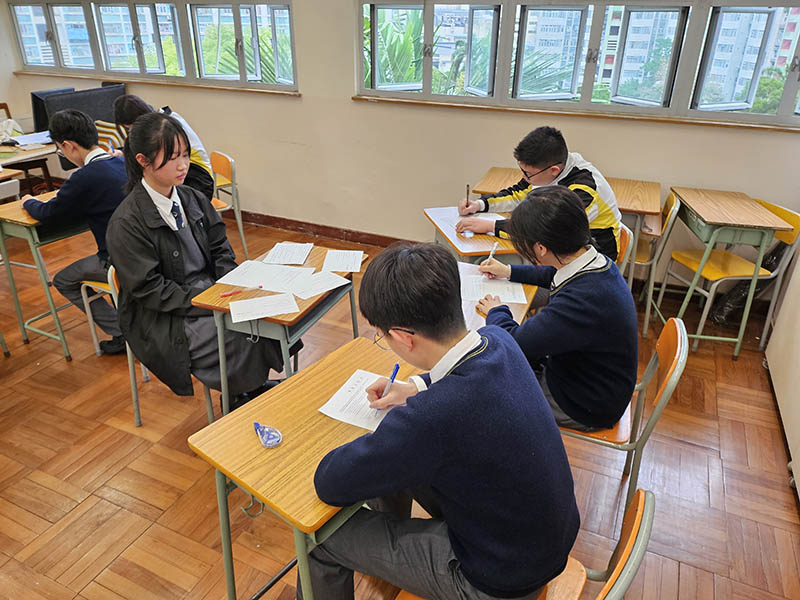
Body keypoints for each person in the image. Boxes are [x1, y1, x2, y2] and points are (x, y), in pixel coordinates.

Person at [302, 242, 580, 600]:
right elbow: (463, 379)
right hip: (539, 541)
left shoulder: (431, 419)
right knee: (398, 464)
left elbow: (330, 482)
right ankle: (394, 550)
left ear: (402, 337)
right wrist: (416, 386)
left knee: (321, 539)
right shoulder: (498, 340)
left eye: (382, 337)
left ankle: (391, 551)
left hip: (497, 579)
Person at [106, 112, 287, 403]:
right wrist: (208, 300)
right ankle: (239, 397)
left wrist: (230, 285)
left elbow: (221, 249)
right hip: (166, 315)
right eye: (172, 157)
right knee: (238, 334)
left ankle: (251, 389)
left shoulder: (192, 197)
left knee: (270, 316)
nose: (183, 165)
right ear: (143, 160)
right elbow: (150, 290)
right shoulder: (126, 223)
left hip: (210, 292)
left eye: (185, 155)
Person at [477, 186, 638, 431]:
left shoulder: (582, 301)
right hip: (590, 377)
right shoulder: (594, 261)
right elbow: (552, 273)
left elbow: (514, 343)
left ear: (540, 248)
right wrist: (508, 271)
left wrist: (496, 311)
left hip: (584, 404)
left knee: (485, 387)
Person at [22, 109, 127, 354]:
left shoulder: (84, 177)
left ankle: (122, 332)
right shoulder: (123, 163)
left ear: (69, 146)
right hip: (144, 252)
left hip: (116, 262)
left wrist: (28, 200)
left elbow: (47, 213)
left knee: (63, 280)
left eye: (60, 150)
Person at [457, 126, 622, 260]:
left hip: (594, 254)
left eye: (527, 173)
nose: (524, 177)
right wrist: (479, 205)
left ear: (553, 170)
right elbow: (518, 194)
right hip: (560, 246)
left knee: (516, 266)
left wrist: (491, 226)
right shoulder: (551, 168)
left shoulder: (585, 190)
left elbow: (546, 229)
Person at [112, 94, 215, 201]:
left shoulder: (163, 128)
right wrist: (122, 152)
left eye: (131, 128)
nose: (132, 131)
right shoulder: (159, 121)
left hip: (198, 178)